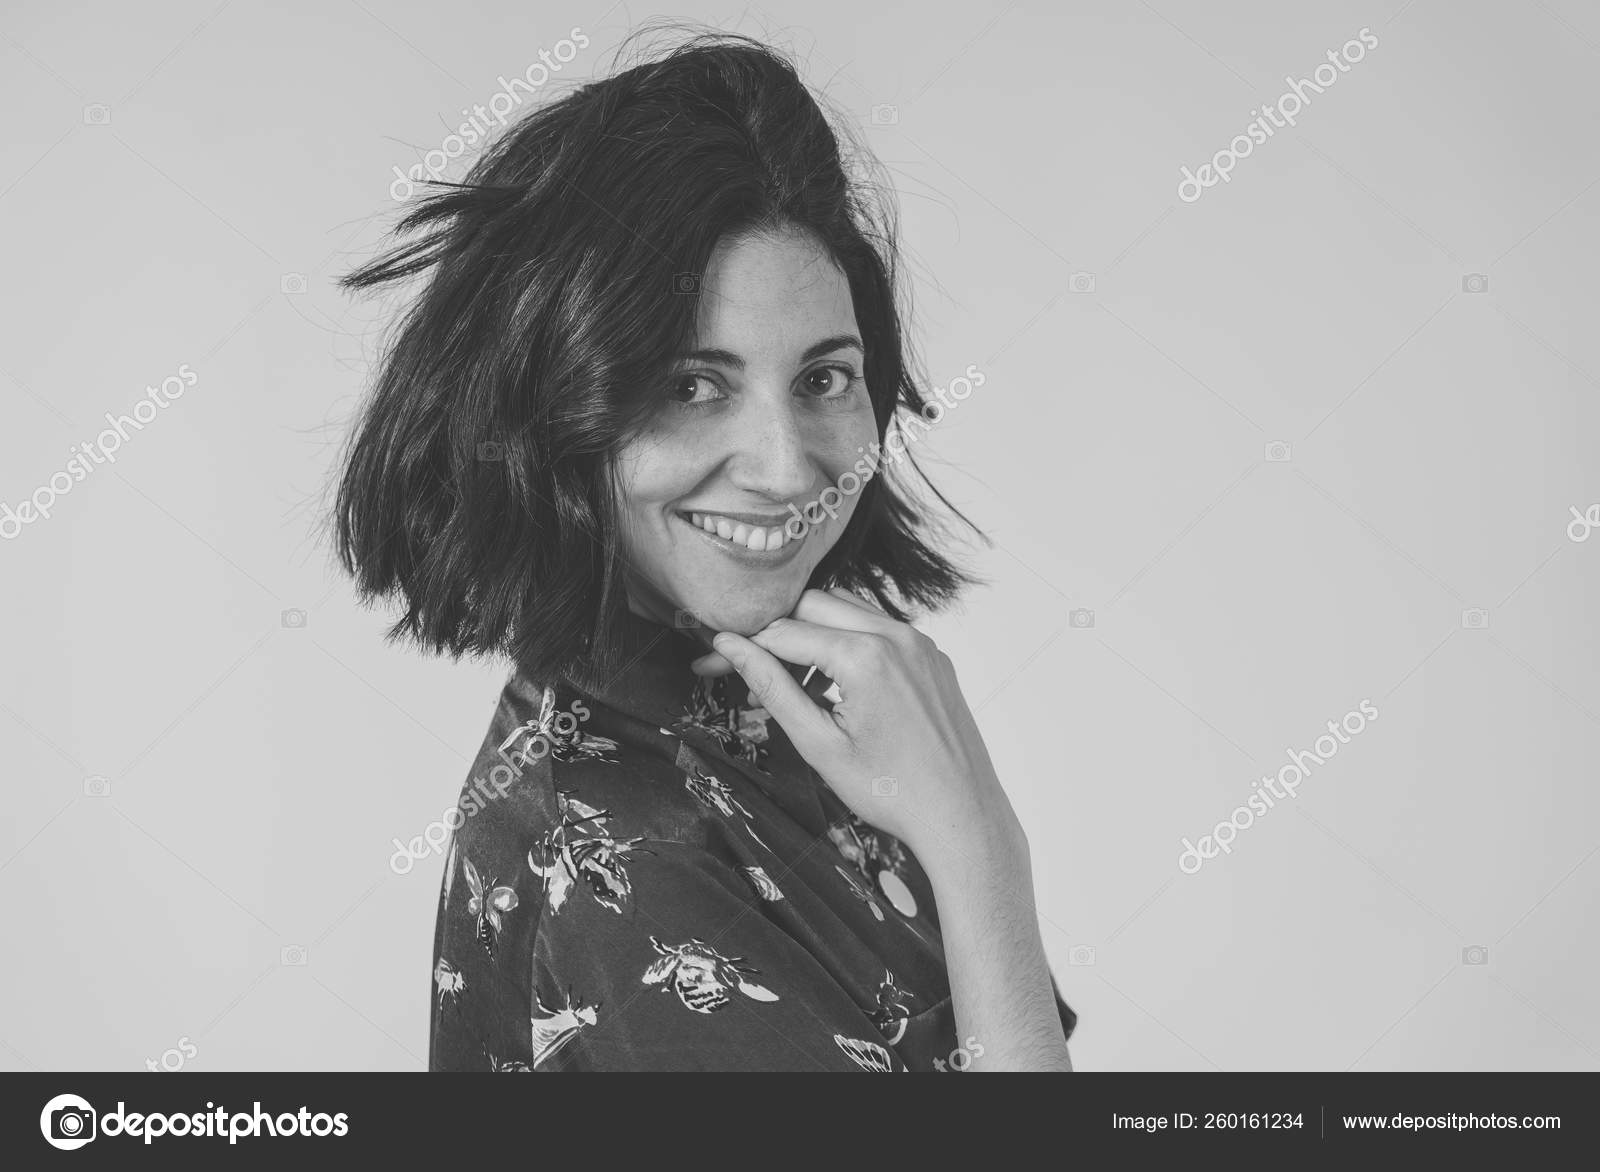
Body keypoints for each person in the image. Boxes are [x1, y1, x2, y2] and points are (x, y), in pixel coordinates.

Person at [336, 32, 1075, 1071]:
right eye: (692, 385)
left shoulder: (797, 715)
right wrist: (981, 851)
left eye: (822, 379)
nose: (784, 468)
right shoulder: (612, 856)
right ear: (557, 415)